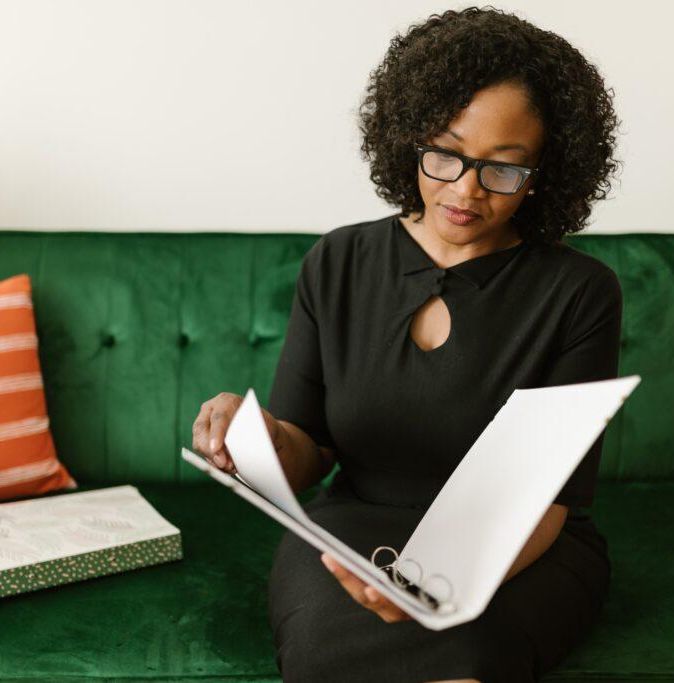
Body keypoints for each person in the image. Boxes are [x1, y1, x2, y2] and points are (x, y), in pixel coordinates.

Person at [191, 6, 624, 682]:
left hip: (515, 548)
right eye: (445, 154)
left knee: (469, 656)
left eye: (503, 169)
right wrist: (257, 439)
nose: (465, 189)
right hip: (349, 536)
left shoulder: (579, 293)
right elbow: (305, 451)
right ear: (409, 136)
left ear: (544, 174)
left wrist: (444, 590)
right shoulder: (338, 261)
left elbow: (549, 501)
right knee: (326, 656)